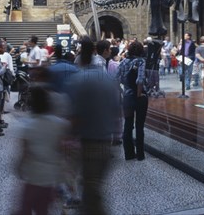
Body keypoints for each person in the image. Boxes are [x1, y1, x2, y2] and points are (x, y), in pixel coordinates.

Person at [68, 38, 121, 215]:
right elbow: (116, 111)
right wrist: (116, 136)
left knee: (91, 190)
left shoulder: (77, 80)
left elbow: (73, 115)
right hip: (105, 142)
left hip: (87, 143)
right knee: (92, 186)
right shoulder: (107, 79)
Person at [16, 85, 70, 215]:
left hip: (32, 176)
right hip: (50, 177)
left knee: (26, 208)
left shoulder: (27, 126)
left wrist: (19, 167)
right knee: (43, 209)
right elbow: (62, 150)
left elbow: (25, 153)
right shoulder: (59, 124)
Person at [117, 41, 148, 161]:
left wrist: (121, 91)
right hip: (139, 97)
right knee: (139, 126)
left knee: (128, 125)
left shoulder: (123, 61)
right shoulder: (140, 61)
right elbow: (140, 80)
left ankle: (129, 154)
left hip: (127, 96)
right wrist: (139, 94)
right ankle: (140, 154)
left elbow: (114, 78)